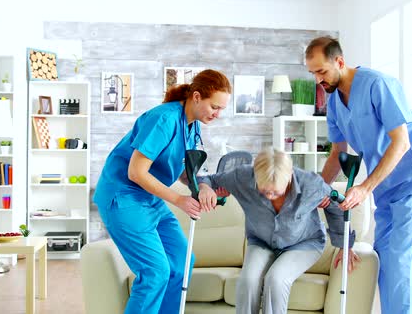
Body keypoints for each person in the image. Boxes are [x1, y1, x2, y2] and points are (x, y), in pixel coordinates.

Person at [305, 36, 412, 314]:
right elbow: (337, 153)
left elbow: (401, 142)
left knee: (403, 264)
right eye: (312, 74)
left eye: (321, 71)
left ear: (340, 62)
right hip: (385, 188)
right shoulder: (334, 104)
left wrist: (364, 188)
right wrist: (318, 189)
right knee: (386, 263)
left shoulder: (378, 85)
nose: (318, 80)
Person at [92, 69, 231, 314]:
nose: (218, 115)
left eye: (221, 109)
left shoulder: (192, 125)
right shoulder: (163, 119)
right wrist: (180, 200)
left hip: (150, 199)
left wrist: (204, 187)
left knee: (181, 262)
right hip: (123, 197)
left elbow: (181, 168)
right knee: (155, 273)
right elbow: (136, 172)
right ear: (197, 97)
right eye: (215, 107)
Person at [197, 147, 357, 314]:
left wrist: (345, 246)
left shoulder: (311, 183)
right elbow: (208, 179)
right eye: (264, 191)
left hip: (304, 243)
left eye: (276, 191)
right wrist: (205, 188)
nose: (270, 196)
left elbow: (337, 207)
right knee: (248, 280)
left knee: (276, 279)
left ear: (289, 177)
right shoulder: (242, 177)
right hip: (261, 241)